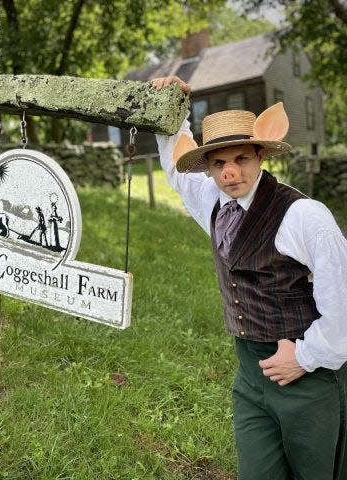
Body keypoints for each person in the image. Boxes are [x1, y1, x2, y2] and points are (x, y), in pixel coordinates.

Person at [151, 75, 347, 480]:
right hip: (250, 379)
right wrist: (172, 105)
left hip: (309, 379)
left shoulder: (306, 217)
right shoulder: (214, 204)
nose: (230, 173)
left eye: (241, 159)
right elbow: (177, 170)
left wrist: (305, 357)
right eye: (219, 163)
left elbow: (343, 303)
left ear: (261, 155)